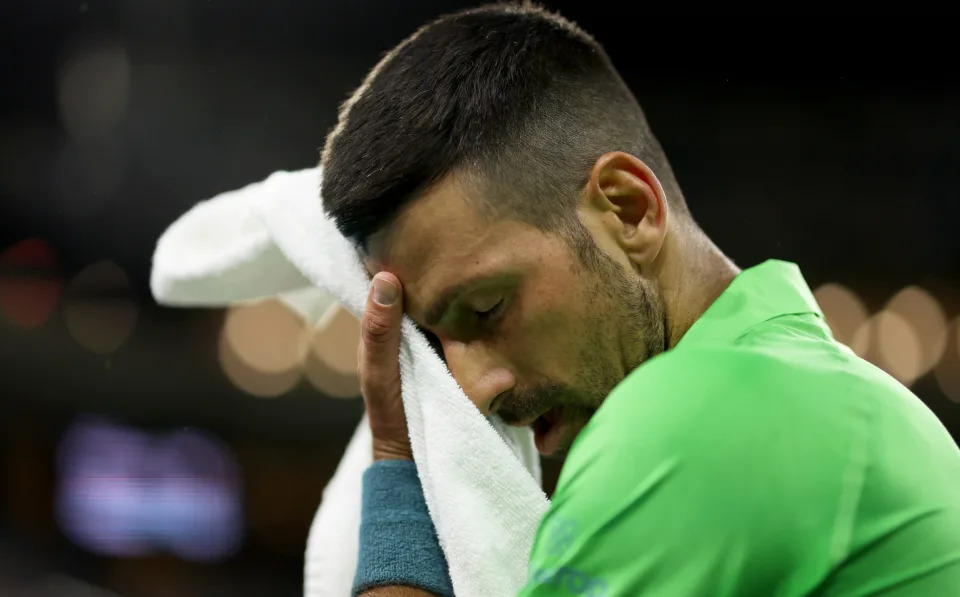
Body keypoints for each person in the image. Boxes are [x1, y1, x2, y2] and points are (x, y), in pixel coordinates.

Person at [320, 3, 960, 595]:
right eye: (433, 347)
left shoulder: (694, 418)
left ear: (627, 211)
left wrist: (399, 470)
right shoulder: (816, 391)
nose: (473, 389)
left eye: (487, 309)